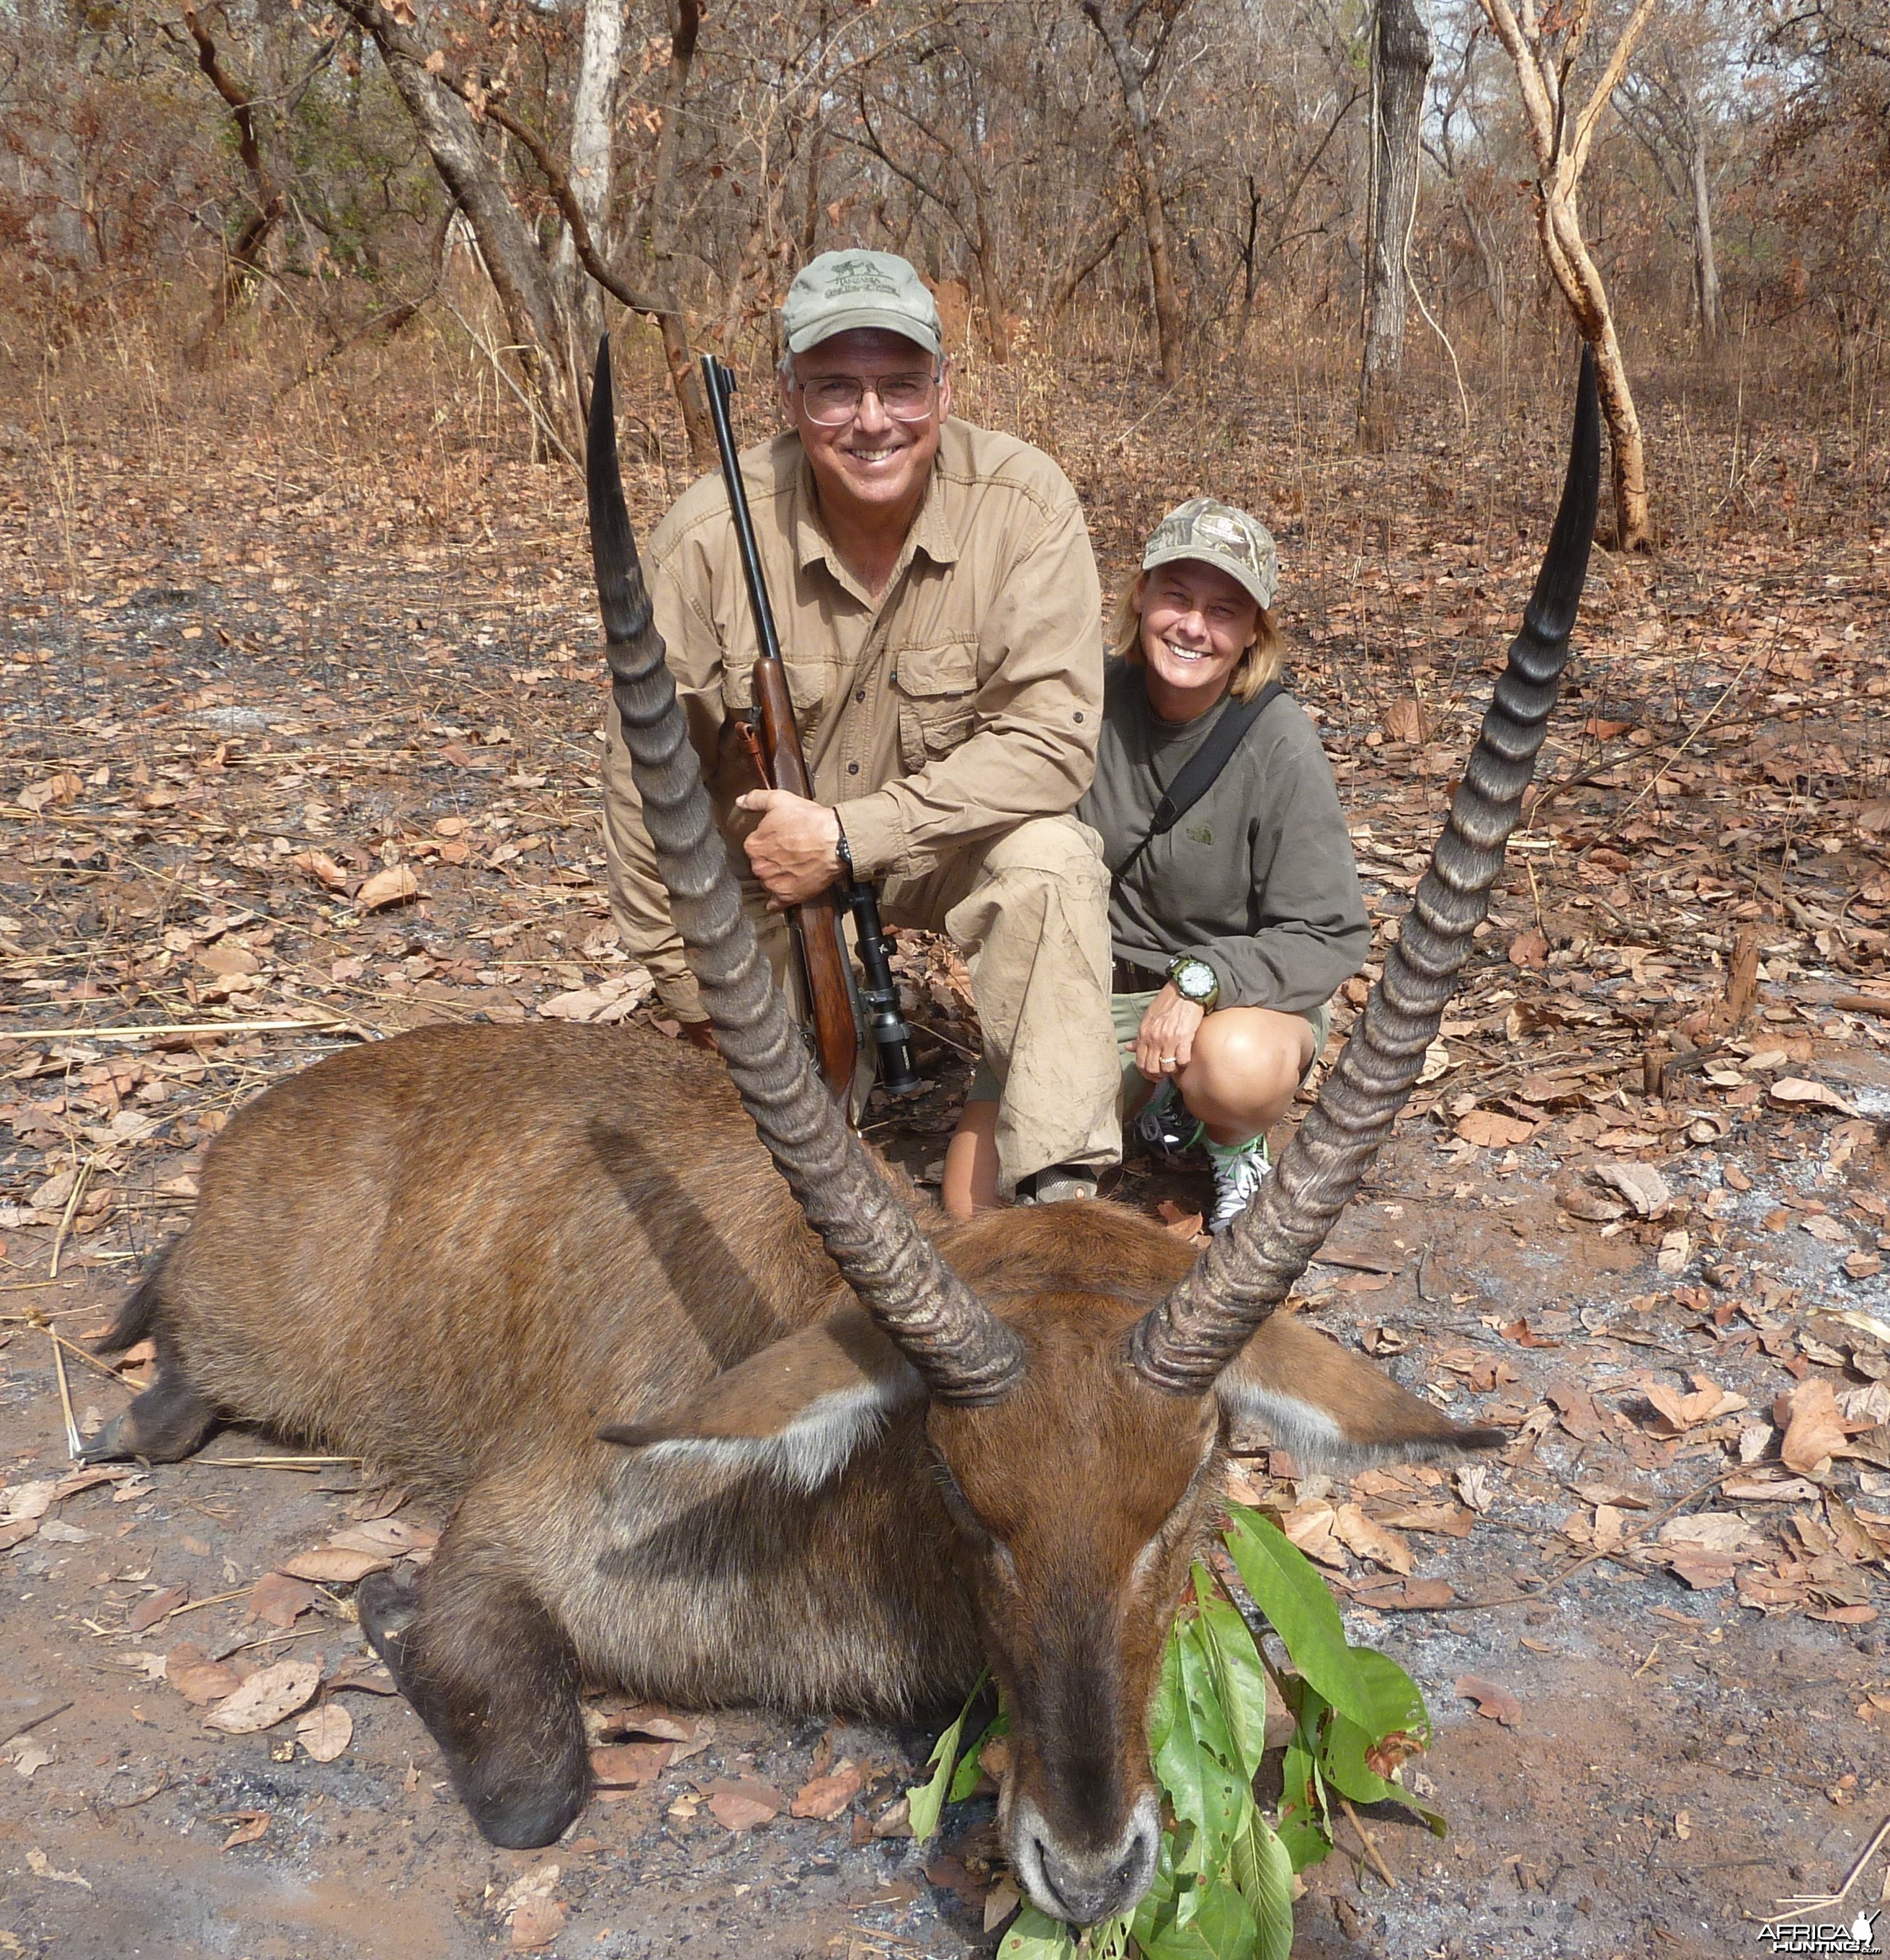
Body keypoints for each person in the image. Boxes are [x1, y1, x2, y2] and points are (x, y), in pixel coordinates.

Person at [602, 249, 1120, 1205]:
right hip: (767, 879)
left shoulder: (1025, 502)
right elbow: (645, 789)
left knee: (1051, 862)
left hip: (935, 843)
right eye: (836, 387)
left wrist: (846, 836)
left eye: (900, 386)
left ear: (944, 388)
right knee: (771, 1173)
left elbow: (1051, 742)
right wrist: (694, 998)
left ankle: (1061, 1200)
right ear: (788, 396)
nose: (873, 419)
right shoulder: (707, 533)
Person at [942, 497, 1368, 1230]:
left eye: (1223, 609)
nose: (1193, 626)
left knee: (1234, 1065)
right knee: (972, 1208)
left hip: (1230, 1002)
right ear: (1140, 596)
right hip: (1084, 999)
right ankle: (1143, 1108)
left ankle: (1232, 1146)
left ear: (1252, 632)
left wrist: (1200, 981)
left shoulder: (1276, 739)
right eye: (1176, 595)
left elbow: (1329, 932)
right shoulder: (1085, 701)